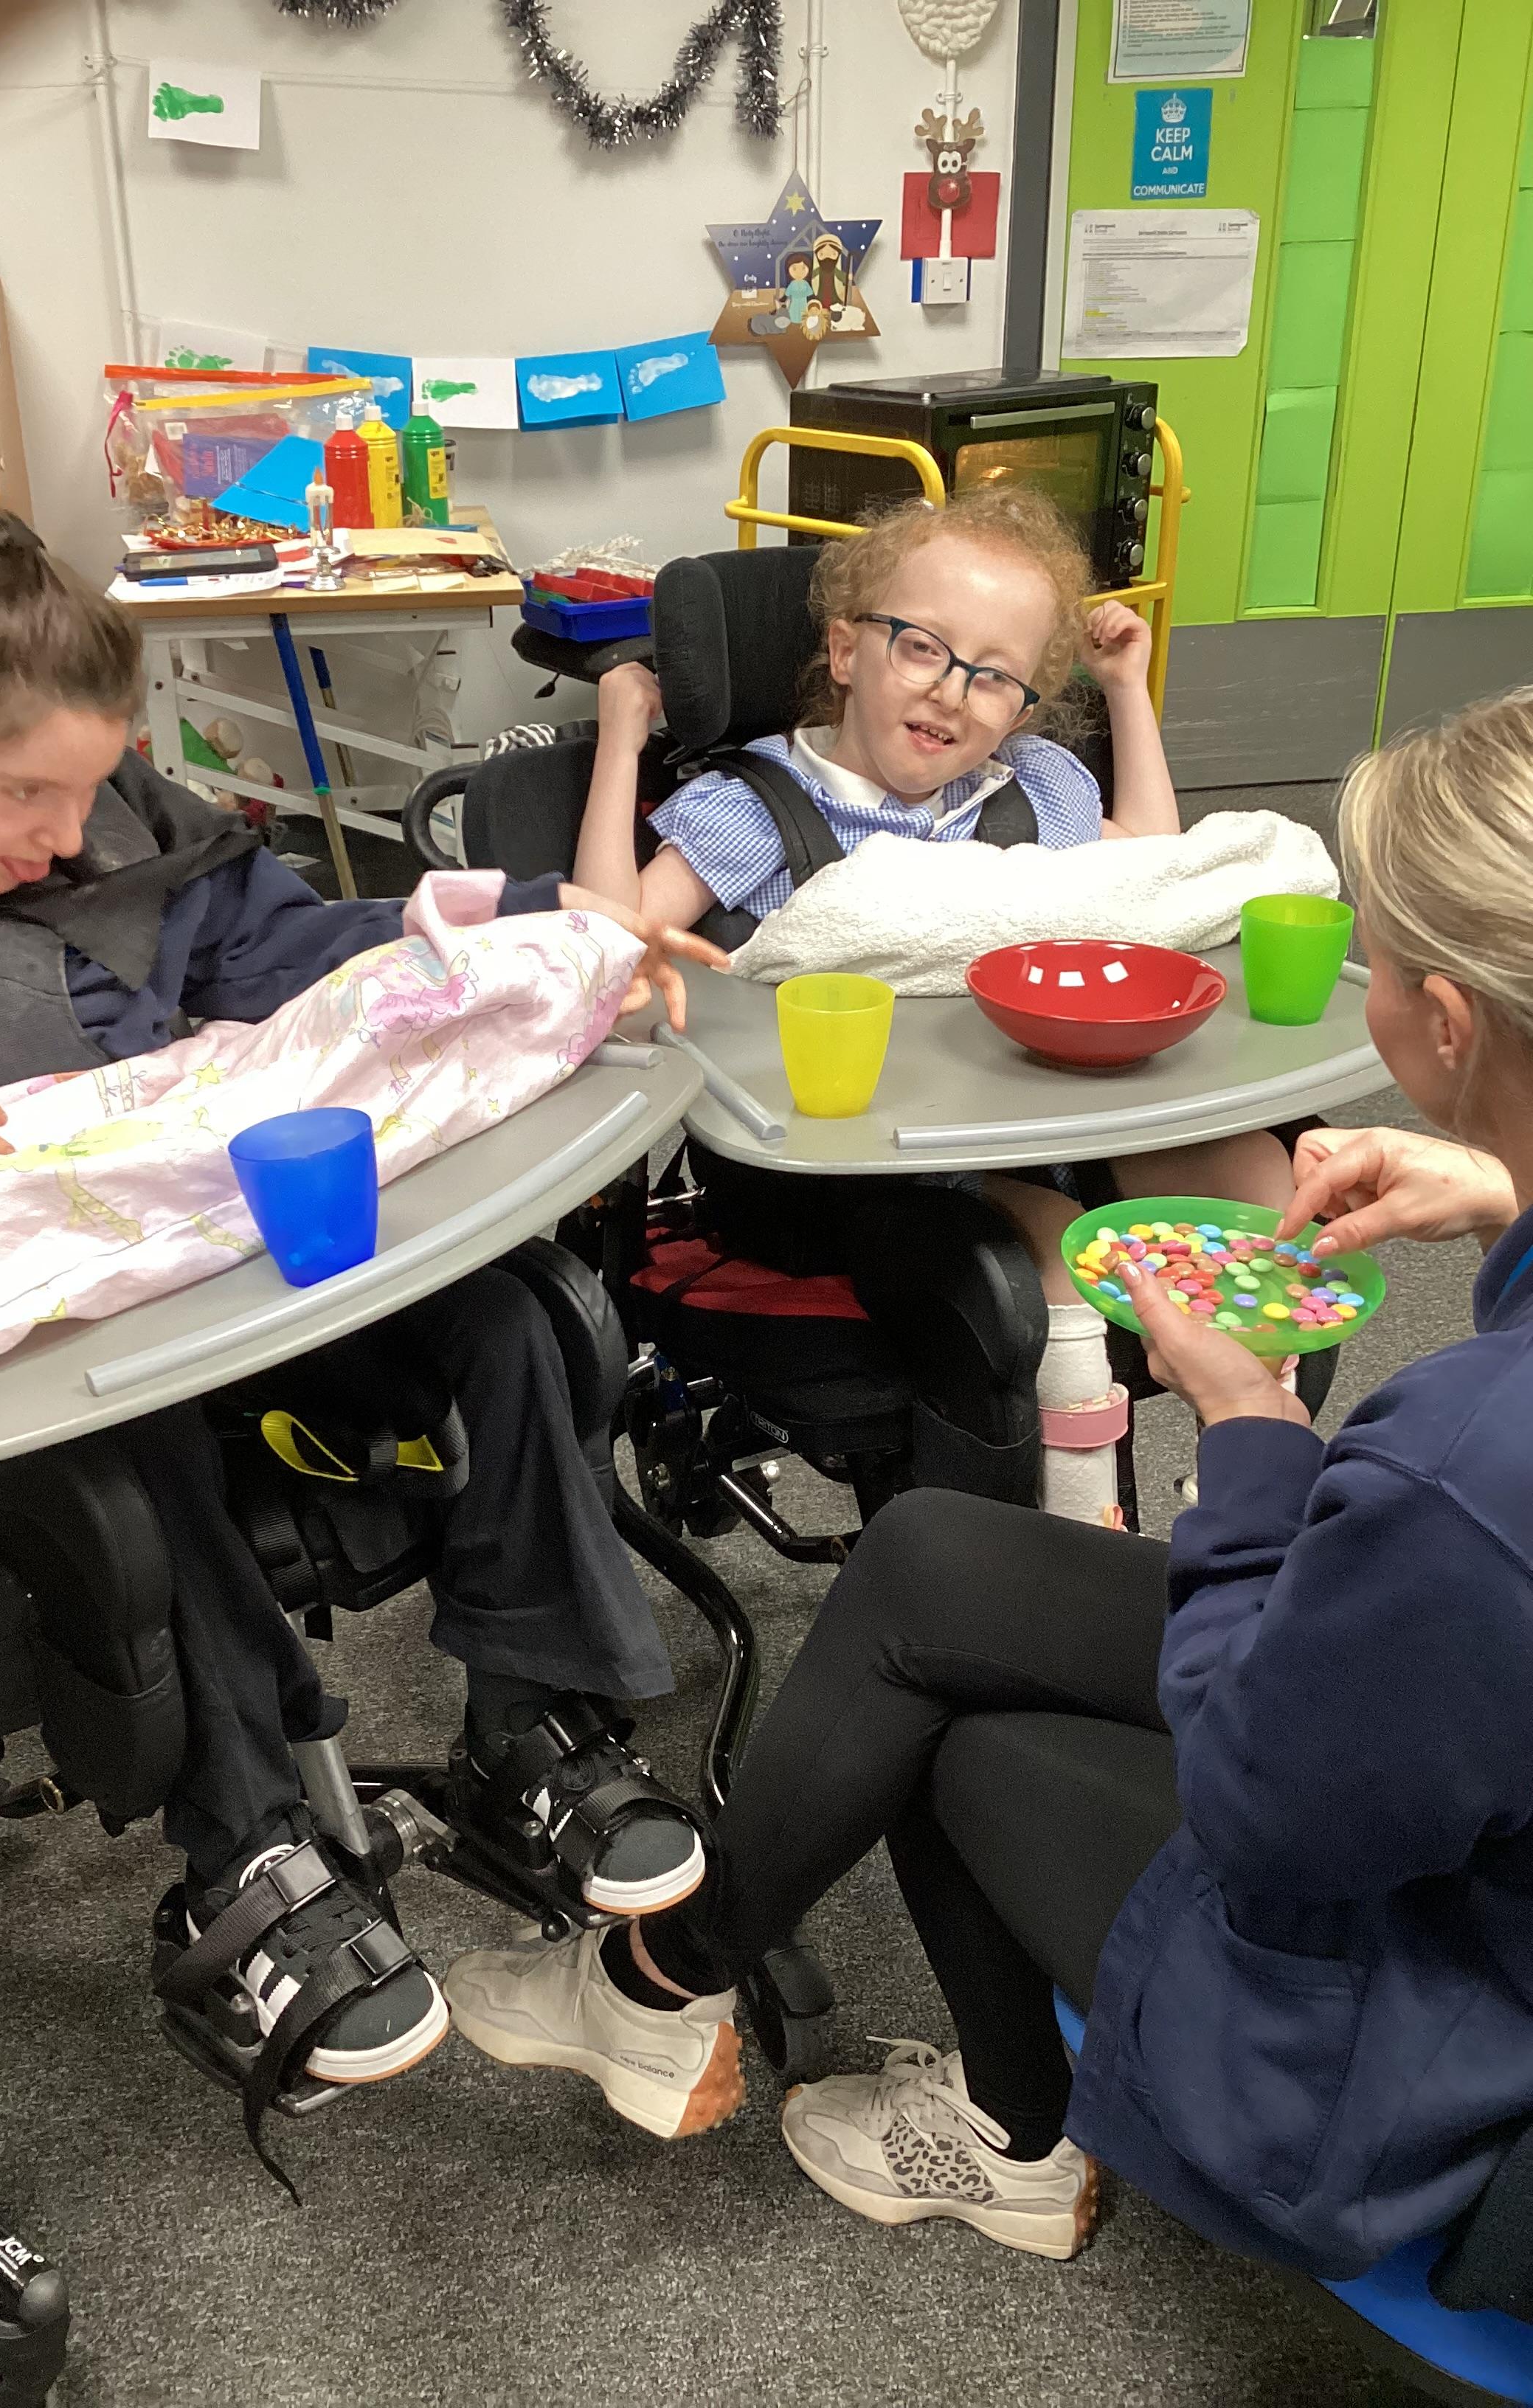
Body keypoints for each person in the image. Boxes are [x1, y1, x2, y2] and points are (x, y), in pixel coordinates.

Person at [447, 687, 1533, 2283]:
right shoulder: (1472, 1462)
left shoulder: (1459, 1466)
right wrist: (1505, 1187)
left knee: (943, 1722)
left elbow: (1271, 1814)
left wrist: (1249, 1434)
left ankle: (1014, 2138)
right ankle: (656, 1988)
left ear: (1445, 1023)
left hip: (1453, 2036)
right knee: (932, 1564)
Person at [0, 511, 724, 2103]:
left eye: (88, 788)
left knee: (516, 1316)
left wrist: (553, 926)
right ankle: (245, 1854)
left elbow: (303, 950)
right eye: (22, 795)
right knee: (133, 1444)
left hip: (187, 1262)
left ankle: (534, 1729)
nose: (65, 836)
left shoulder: (113, 825)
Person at [575, 487, 1295, 1523]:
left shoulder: (1033, 784)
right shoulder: (759, 806)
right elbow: (608, 951)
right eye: (922, 648)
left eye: (995, 675)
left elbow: (1149, 876)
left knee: (1257, 1181)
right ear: (844, 650)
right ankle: (1074, 1536)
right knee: (1047, 1243)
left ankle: (1251, 1482)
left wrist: (1126, 691)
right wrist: (620, 740)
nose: (954, 693)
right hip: (849, 1167)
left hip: (1035, 1115)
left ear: (1024, 707)